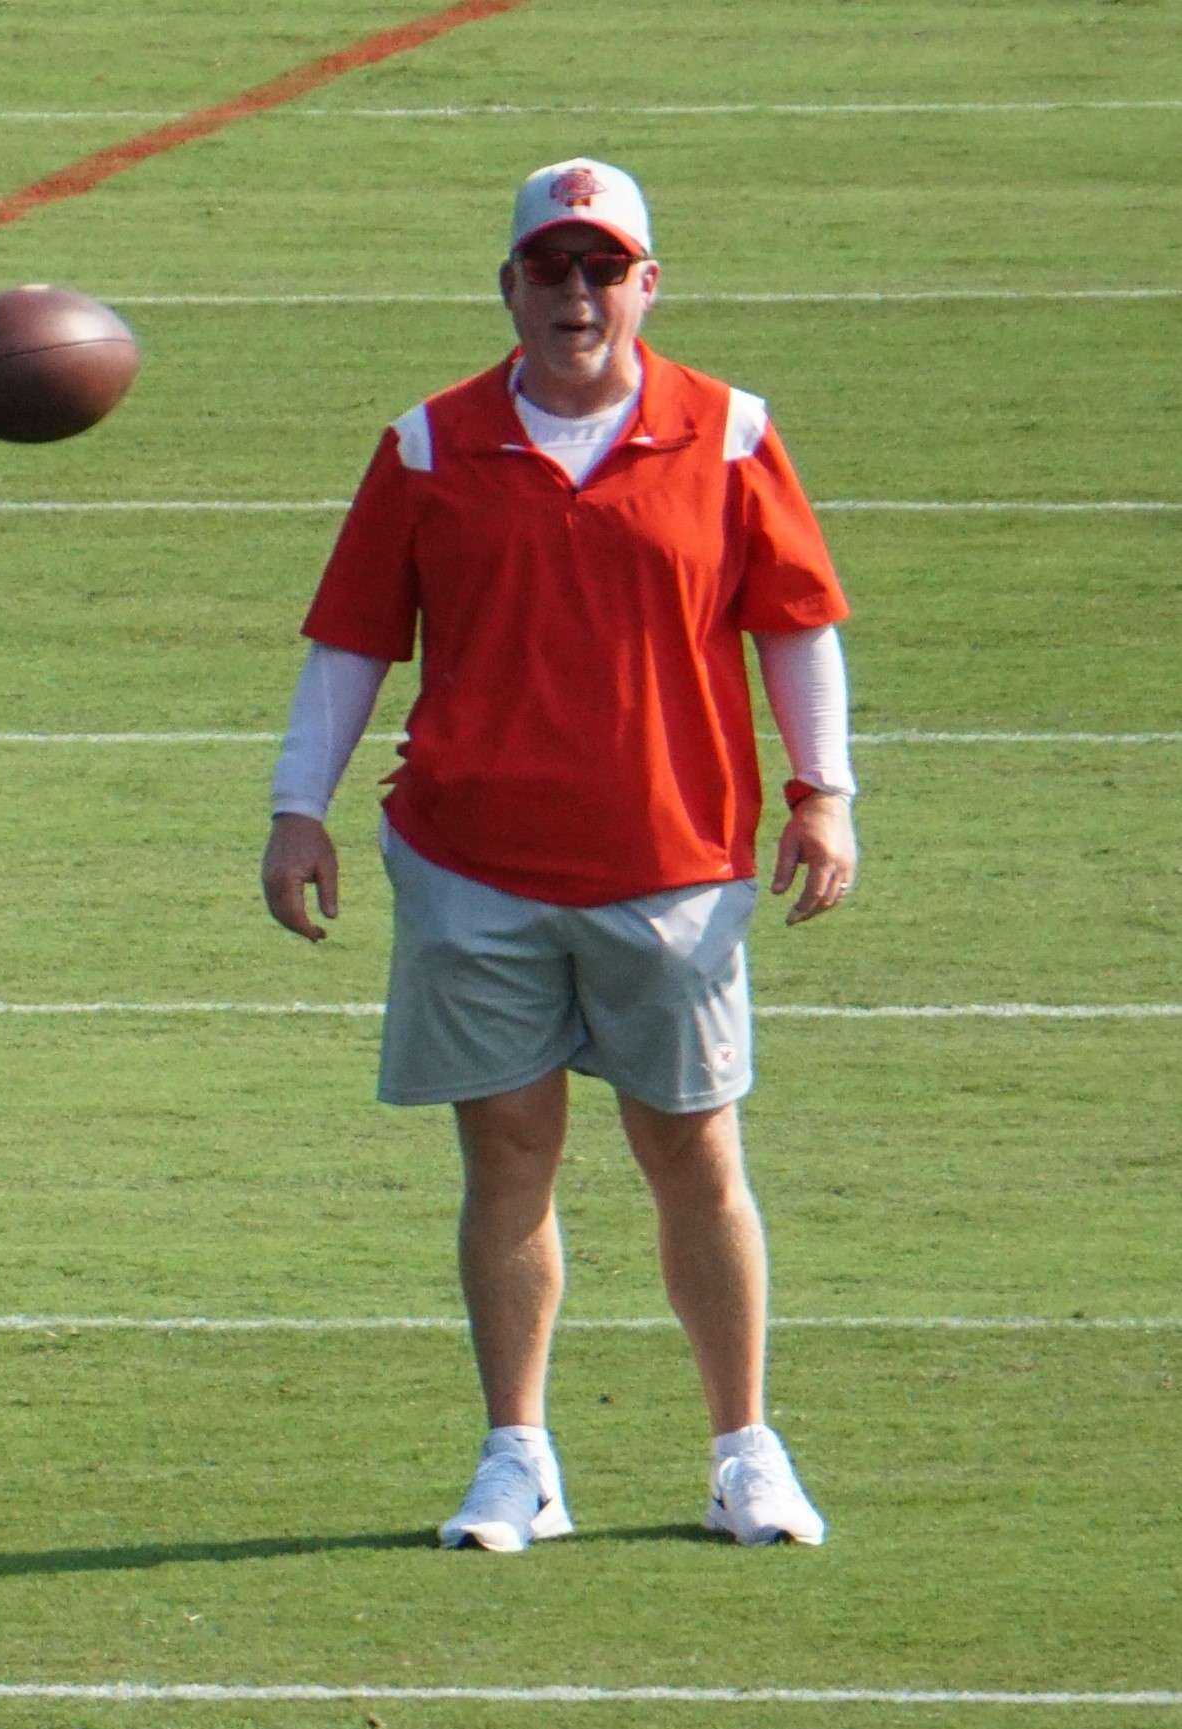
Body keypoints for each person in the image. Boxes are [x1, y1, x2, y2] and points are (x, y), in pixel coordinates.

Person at [259, 158, 857, 1553]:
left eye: (604, 269)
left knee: (692, 1153)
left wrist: (823, 792)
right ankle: (517, 1455)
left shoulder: (727, 435)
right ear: (509, 288)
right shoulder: (426, 446)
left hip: (674, 859)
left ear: (649, 283)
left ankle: (742, 1450)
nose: (577, 294)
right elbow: (354, 637)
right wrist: (301, 805)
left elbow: (795, 622)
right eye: (552, 269)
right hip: (476, 860)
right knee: (508, 1156)